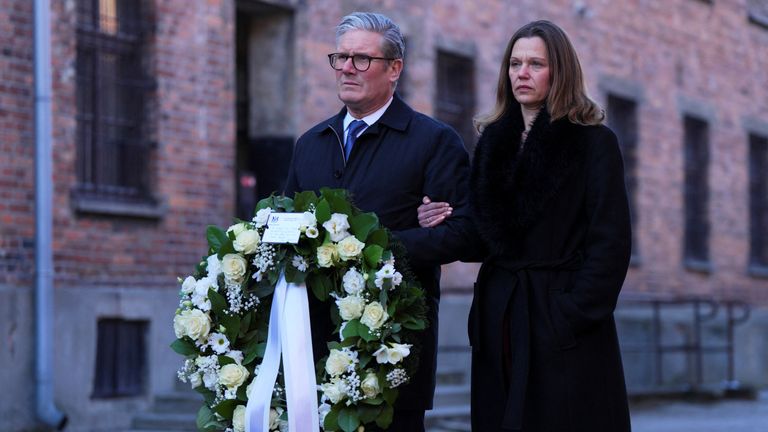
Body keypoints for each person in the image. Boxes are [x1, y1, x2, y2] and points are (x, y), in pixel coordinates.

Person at [418, 20, 632, 431]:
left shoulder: (593, 142)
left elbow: (611, 242)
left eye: (536, 63)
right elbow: (487, 237)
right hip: (501, 316)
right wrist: (444, 217)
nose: (522, 73)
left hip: (562, 320)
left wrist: (568, 315)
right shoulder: (492, 142)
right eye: (515, 63)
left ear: (560, 72)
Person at [284, 12, 472, 431]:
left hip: (391, 347)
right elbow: (286, 224)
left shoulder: (433, 141)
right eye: (341, 57)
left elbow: (459, 236)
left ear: (394, 69)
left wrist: (367, 250)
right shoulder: (310, 144)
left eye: (361, 59)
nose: (347, 68)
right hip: (313, 345)